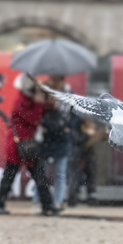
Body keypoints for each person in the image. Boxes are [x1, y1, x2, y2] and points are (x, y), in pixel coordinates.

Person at [0, 73, 55, 215]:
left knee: (20, 175)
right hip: (20, 144)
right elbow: (33, 118)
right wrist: (40, 103)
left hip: (25, 144)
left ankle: (48, 205)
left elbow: (42, 113)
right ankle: (47, 206)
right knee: (19, 175)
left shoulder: (29, 100)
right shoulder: (23, 101)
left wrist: (47, 102)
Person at [35, 75, 71, 211]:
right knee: (41, 172)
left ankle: (57, 200)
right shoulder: (44, 96)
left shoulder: (68, 96)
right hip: (47, 139)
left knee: (59, 173)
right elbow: (38, 113)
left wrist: (69, 128)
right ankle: (40, 200)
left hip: (61, 139)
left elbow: (74, 116)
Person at [66, 116, 103, 206]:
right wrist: (87, 134)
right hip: (76, 154)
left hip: (88, 153)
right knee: (75, 176)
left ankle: (91, 198)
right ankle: (73, 199)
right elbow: (76, 139)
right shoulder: (75, 123)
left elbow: (97, 137)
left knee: (90, 175)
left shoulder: (92, 124)